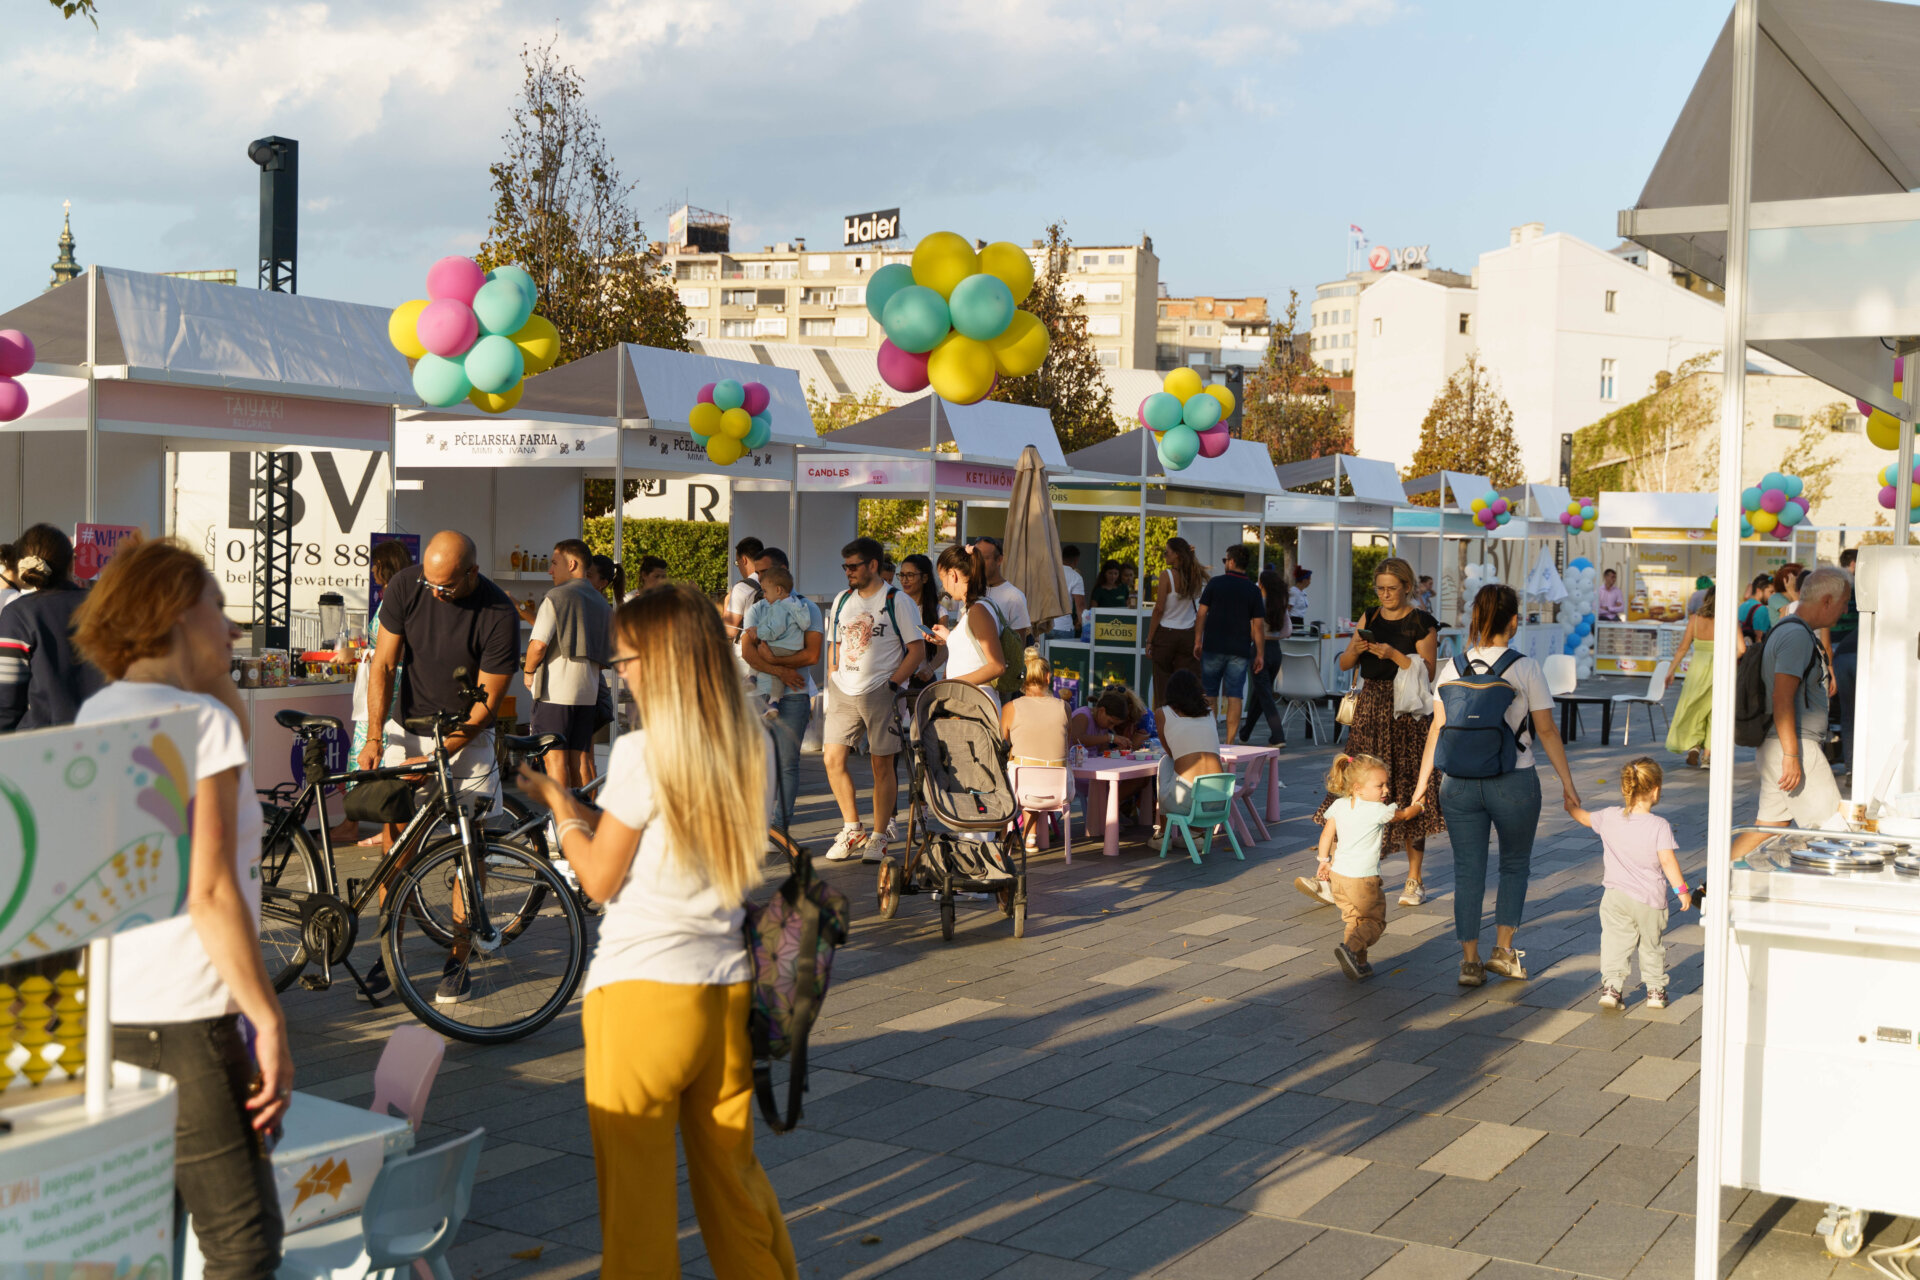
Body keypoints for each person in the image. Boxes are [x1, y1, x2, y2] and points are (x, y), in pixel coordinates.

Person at [513, 585, 797, 1280]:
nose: (622, 673)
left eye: (630, 659)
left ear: (665, 660)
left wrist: (560, 806)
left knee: (637, 1203)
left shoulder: (642, 753)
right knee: (733, 1181)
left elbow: (600, 880)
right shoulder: (754, 742)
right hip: (725, 989)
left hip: (641, 991)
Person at [73, 538, 292, 1278]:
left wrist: (215, 683)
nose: (232, 629)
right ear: (175, 611)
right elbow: (210, 889)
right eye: (219, 607)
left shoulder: (100, 710)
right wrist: (267, 1017)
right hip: (190, 1016)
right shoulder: (201, 726)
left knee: (143, 1241)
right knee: (244, 1241)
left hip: (112, 1012)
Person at [359, 530, 520, 1004]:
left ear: (472, 572)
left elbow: (485, 706)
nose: (435, 592)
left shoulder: (498, 613)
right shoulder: (408, 586)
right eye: (429, 582)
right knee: (398, 846)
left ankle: (460, 955)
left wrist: (436, 757)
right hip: (405, 727)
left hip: (465, 737)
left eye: (445, 587)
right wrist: (373, 737)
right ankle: (390, 954)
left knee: (468, 849)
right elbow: (383, 665)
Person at [1413, 583, 1582, 987]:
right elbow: (1547, 730)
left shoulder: (1451, 667)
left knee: (1467, 871)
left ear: (1474, 619)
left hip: (1457, 783)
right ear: (1514, 620)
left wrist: (1422, 786)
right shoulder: (1525, 667)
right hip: (1514, 778)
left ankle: (1469, 962)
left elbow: (1437, 731)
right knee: (1514, 865)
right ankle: (1503, 951)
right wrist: (1568, 785)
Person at [1312, 556, 1442, 908]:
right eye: (1380, 588)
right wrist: (1354, 648)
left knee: (1407, 789)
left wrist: (1394, 654)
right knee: (1355, 787)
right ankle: (1336, 871)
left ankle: (1414, 880)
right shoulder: (1369, 616)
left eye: (1392, 589)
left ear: (1406, 587)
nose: (1385, 595)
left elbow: (1429, 675)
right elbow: (1344, 665)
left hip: (1406, 716)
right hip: (1370, 708)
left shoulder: (1422, 623)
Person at [1731, 566, 1852, 860]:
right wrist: (1793, 756)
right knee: (1834, 833)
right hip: (1794, 745)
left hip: (1781, 745)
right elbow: (1783, 698)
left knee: (1769, 827)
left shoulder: (1789, 629)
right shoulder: (1796, 636)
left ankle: (1711, 888)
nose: (1846, 610)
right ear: (1826, 600)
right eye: (1844, 602)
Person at [823, 538, 925, 863]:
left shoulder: (898, 601)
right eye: (845, 567)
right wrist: (833, 673)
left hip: (881, 688)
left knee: (882, 764)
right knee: (831, 759)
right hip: (844, 688)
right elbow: (834, 643)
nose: (848, 572)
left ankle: (879, 836)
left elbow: (917, 650)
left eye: (853, 566)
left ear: (872, 565)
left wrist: (893, 684)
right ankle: (853, 828)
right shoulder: (842, 600)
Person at [1566, 758, 1691, 1012]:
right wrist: (1682, 891)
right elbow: (1667, 862)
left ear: (1625, 789)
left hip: (1616, 897)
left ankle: (1612, 988)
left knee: (1614, 942)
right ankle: (1655, 991)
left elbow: (1584, 818)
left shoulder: (1609, 816)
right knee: (1651, 945)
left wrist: (1570, 807)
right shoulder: (1659, 826)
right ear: (1655, 790)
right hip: (1650, 900)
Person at [1312, 753, 1426, 982]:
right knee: (1374, 921)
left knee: (1354, 920)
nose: (1385, 790)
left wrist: (1324, 861)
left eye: (1386, 784)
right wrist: (1418, 807)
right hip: (1363, 880)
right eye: (1379, 785)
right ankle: (1350, 949)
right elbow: (1402, 815)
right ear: (1358, 788)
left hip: (1339, 877)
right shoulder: (1376, 810)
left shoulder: (1339, 805)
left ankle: (1359, 963)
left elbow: (1327, 834)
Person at [738, 547, 822, 836]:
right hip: (759, 695)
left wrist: (775, 663)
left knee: (787, 762)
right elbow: (748, 651)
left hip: (795, 696)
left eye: (763, 573)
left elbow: (812, 656)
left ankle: (779, 826)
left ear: (782, 574)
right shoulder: (756, 607)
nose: (758, 579)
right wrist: (781, 670)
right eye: (757, 573)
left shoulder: (807, 608)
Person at [524, 539, 612, 792]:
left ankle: (560, 824)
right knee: (580, 759)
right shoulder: (600, 602)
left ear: (571, 564)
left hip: (555, 692)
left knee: (555, 760)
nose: (550, 570)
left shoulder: (556, 596)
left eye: (554, 563)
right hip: (588, 692)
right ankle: (585, 820)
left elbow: (538, 645)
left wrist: (528, 672)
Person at [346, 538, 417, 848]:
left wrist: (376, 656)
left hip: (389, 684)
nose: (372, 570)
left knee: (373, 750)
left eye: (374, 565)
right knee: (377, 749)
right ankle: (367, 823)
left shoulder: (396, 597)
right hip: (385, 681)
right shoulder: (400, 595)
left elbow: (399, 651)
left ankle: (373, 824)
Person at [0, 523, 104, 731]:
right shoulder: (106, 605)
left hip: (40, 746)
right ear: (71, 565)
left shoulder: (19, 615)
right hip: (105, 738)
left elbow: (6, 703)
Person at [1195, 543, 1267, 742]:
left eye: (1225, 560)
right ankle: (1229, 742)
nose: (1225, 563)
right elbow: (1258, 625)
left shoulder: (1215, 583)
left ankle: (1210, 738)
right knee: (1235, 694)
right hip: (1240, 650)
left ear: (1232, 561)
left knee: (1209, 693)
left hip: (1213, 646)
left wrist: (1197, 640)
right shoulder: (1253, 590)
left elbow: (1201, 614)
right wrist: (1260, 653)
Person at [1666, 588, 1743, 767]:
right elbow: (1742, 649)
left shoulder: (1695, 620)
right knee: (1715, 713)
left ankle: (1694, 746)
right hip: (1720, 671)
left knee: (1694, 708)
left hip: (1697, 672)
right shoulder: (1729, 621)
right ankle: (1707, 756)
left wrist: (1671, 671)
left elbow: (1682, 648)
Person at [1070, 684, 1153, 830]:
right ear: (1101, 710)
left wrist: (1119, 751)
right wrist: (1109, 738)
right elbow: (1078, 738)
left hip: (1096, 770)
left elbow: (1101, 752)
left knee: (1141, 779)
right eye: (1110, 722)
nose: (1110, 726)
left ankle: (1109, 809)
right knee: (1117, 781)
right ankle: (1106, 812)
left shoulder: (1102, 726)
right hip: (1079, 772)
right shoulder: (1083, 715)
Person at [931, 543, 1008, 694]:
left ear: (953, 575)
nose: (944, 587)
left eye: (942, 579)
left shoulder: (978, 610)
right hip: (971, 702)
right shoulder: (977, 607)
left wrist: (952, 683)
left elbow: (997, 666)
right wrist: (949, 637)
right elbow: (973, 649)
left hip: (974, 703)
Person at [1154, 669, 1224, 833]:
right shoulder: (1209, 713)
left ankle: (1164, 835)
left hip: (1185, 800)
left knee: (1166, 762)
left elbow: (1171, 752)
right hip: (1219, 799)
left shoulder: (1163, 713)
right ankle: (1196, 833)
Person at [1146, 537, 1207, 722]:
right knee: (1187, 682)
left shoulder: (1167, 576)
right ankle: (1186, 720)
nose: (1165, 556)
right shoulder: (1196, 575)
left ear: (1177, 555)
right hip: (1187, 634)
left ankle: (1164, 724)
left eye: (1167, 552)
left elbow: (1158, 609)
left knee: (1162, 682)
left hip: (1166, 634)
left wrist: (1150, 639)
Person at [741, 565, 811, 718]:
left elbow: (775, 629)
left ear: (778, 590)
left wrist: (757, 633)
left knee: (759, 652)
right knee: (777, 676)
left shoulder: (780, 607)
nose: (764, 595)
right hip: (793, 649)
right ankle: (773, 703)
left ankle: (752, 677)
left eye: (765, 591)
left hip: (779, 647)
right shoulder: (797, 604)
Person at [1238, 564, 1292, 747]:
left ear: (1261, 584)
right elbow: (1288, 630)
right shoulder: (1280, 603)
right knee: (1260, 693)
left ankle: (1278, 735)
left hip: (1259, 649)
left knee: (1265, 694)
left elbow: (1252, 629)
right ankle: (1245, 733)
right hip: (1276, 650)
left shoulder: (1258, 602)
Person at [1003, 651, 1069, 767]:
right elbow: (1067, 742)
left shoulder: (1010, 708)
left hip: (1021, 781)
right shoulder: (1064, 708)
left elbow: (1000, 747)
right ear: (1047, 677)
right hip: (1057, 782)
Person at [895, 552, 944, 682]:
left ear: (924, 578)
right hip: (895, 677)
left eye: (910, 575)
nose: (904, 580)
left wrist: (930, 668)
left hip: (921, 680)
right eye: (902, 575)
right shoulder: (894, 607)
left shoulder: (937, 611)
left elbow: (943, 648)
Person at [970, 535, 1031, 638]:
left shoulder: (1014, 597)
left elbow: (1018, 643)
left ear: (999, 560)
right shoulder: (968, 591)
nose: (978, 563)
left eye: (984, 558)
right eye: (975, 558)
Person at [1832, 547, 1859, 777]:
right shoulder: (1860, 590)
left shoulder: (1830, 587)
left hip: (1837, 655)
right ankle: (1859, 766)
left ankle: (1850, 767)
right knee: (1862, 711)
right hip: (1858, 652)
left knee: (1847, 713)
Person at [722, 536, 765, 642]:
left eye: (737, 562)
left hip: (745, 653)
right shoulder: (774, 581)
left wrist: (727, 601)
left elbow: (730, 630)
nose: (739, 567)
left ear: (744, 560)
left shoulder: (741, 588)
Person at [1052, 545, 1088, 638]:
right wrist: (1086, 628)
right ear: (1076, 560)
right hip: (1064, 628)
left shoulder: (1048, 573)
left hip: (1045, 627)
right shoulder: (1076, 577)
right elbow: (1080, 605)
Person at [1738, 573, 1775, 643]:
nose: (1773, 595)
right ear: (1758, 590)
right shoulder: (1761, 609)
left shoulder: (1742, 606)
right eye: (1771, 592)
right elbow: (1759, 638)